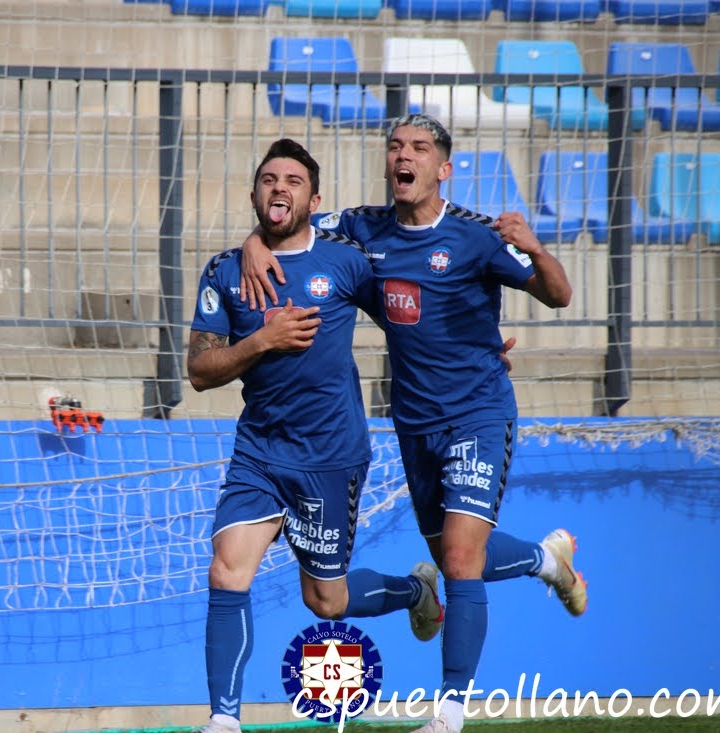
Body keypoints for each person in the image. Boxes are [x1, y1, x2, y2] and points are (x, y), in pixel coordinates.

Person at [238, 115, 587, 733]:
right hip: (414, 423)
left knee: (458, 559)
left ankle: (449, 712)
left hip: (478, 413)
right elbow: (289, 224)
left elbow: (558, 295)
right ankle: (546, 561)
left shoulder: (477, 237)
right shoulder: (363, 228)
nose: (405, 156)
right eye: (396, 146)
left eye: (420, 149)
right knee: (457, 556)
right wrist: (252, 245)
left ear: (443, 168)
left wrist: (534, 248)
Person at [190, 138, 445, 733]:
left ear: (315, 198)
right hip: (259, 452)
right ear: (254, 193)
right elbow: (200, 372)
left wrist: (475, 353)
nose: (280, 188)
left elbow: (411, 321)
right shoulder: (226, 271)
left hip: (330, 456)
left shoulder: (345, 262)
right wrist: (261, 341)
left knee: (324, 601)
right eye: (269, 179)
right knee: (227, 570)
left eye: (294, 181)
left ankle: (415, 592)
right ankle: (224, 720)